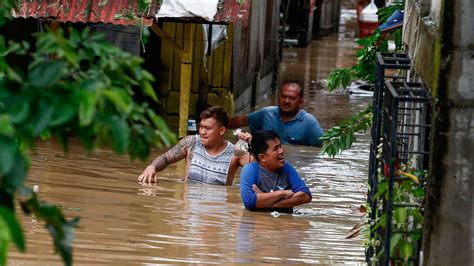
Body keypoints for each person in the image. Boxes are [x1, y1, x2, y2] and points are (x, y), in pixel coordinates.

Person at [138, 106, 251, 185]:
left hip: (215, 215)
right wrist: (152, 167)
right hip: (189, 214)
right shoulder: (191, 142)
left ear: (221, 131)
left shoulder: (236, 153)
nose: (202, 132)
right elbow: (165, 158)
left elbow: (262, 169)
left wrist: (252, 144)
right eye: (201, 127)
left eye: (207, 128)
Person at [228, 82, 324, 146]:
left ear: (300, 101)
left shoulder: (309, 123)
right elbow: (242, 121)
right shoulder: (267, 114)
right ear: (279, 97)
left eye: (292, 98)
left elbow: (325, 147)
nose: (286, 101)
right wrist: (219, 125)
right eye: (284, 97)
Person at [239, 130, 312, 212]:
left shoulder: (286, 167)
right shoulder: (250, 170)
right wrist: (282, 193)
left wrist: (267, 202)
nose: (281, 151)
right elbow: (249, 202)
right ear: (262, 157)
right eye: (276, 148)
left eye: (280, 146)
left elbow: (306, 195)